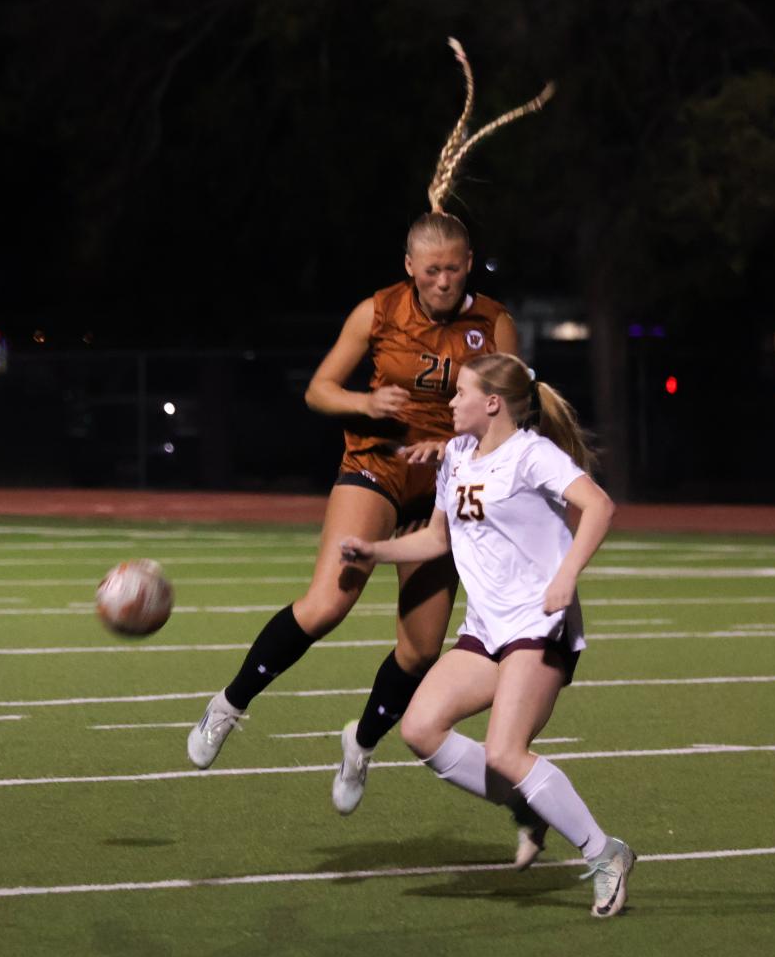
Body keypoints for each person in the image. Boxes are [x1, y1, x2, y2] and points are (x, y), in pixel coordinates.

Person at [187, 40, 555, 817]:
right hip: (378, 467)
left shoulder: (496, 324)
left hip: (449, 488)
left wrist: (459, 450)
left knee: (422, 649)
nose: (445, 281)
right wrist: (366, 405)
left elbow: (512, 418)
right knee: (326, 604)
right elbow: (319, 390)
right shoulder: (377, 310)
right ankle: (228, 704)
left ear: (468, 262)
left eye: (456, 268)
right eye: (432, 271)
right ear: (410, 267)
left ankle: (359, 741)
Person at [337, 353, 633, 918]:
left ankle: (605, 853)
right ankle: (533, 801)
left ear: (492, 403)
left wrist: (566, 576)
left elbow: (599, 506)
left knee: (506, 751)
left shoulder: (531, 454)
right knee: (421, 729)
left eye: (460, 393)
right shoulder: (457, 456)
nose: (450, 403)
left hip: (538, 623)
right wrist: (376, 552)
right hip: (488, 628)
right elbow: (436, 542)